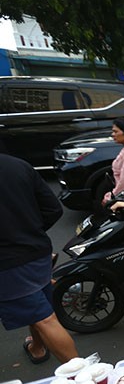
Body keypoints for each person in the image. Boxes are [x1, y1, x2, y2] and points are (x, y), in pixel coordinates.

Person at [0, 153, 79, 364]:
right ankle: (37, 346)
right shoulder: (19, 164)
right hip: (38, 251)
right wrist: (30, 232)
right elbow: (52, 208)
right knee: (40, 306)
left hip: (9, 262)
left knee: (44, 318)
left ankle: (84, 381)